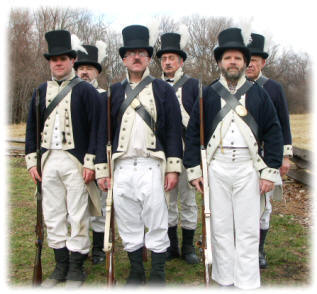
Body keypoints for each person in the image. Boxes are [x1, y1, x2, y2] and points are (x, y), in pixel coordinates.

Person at [183, 27, 283, 289]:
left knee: (249, 229)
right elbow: (194, 134)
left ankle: (247, 281)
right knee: (221, 228)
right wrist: (195, 170)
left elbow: (273, 132)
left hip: (248, 169)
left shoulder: (259, 94)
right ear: (219, 62)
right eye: (228, 58)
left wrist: (269, 172)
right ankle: (225, 278)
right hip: (217, 168)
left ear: (245, 62)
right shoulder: (207, 94)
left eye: (238, 58)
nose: (233, 62)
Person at [95, 25, 183, 285]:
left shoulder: (163, 90)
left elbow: (173, 131)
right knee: (128, 220)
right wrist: (102, 169)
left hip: (151, 165)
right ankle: (136, 272)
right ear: (124, 58)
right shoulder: (112, 93)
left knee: (157, 219)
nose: (136, 57)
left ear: (148, 58)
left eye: (141, 53)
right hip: (121, 166)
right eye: (131, 53)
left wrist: (172, 168)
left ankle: (157, 273)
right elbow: (102, 133)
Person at [25, 30, 102, 288]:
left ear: (72, 60)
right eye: (54, 59)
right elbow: (31, 129)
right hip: (48, 161)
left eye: (63, 58)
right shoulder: (39, 91)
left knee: (78, 214)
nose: (58, 63)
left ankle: (77, 268)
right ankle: (60, 266)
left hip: (76, 162)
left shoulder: (85, 91)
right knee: (53, 214)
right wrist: (31, 161)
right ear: (50, 62)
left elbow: (96, 129)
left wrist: (91, 161)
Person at [246, 33, 293, 268]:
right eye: (248, 59)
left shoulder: (273, 88)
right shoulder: (232, 89)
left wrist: (284, 156)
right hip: (241, 158)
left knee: (264, 206)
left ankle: (258, 250)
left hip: (267, 156)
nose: (251, 64)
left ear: (263, 62)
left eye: (256, 59)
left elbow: (283, 123)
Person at [156, 32, 199, 264]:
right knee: (167, 200)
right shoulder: (153, 86)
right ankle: (171, 245)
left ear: (181, 61)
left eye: (172, 57)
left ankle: (189, 246)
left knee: (189, 200)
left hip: (188, 154)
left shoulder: (193, 85)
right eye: (164, 59)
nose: (168, 62)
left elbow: (200, 122)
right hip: (164, 154)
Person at [74, 43, 108, 265]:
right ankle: (79, 246)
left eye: (89, 68)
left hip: (99, 157)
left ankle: (98, 248)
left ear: (97, 71)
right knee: (76, 206)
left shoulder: (106, 96)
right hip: (75, 159)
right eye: (80, 68)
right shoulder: (70, 94)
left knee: (101, 205)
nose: (84, 72)